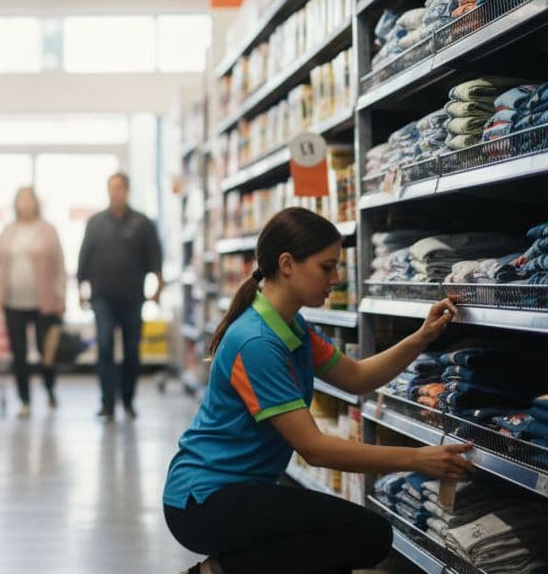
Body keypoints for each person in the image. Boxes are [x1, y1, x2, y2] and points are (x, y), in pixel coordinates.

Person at [163, 207, 473, 574]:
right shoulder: (257, 342)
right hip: (204, 500)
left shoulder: (292, 327)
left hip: (238, 491)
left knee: (338, 547)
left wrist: (423, 337)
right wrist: (416, 459)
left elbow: (357, 377)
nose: (337, 278)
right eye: (327, 267)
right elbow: (315, 449)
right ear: (287, 264)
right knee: (362, 535)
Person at [77, 172, 163, 420]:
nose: (116, 192)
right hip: (102, 297)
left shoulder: (142, 223)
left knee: (131, 351)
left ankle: (127, 401)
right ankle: (107, 403)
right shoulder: (95, 223)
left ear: (127, 191)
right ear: (108, 191)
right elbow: (84, 258)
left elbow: (155, 257)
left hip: (132, 297)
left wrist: (158, 286)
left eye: (120, 188)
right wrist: (80, 291)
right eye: (112, 188)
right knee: (104, 347)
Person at [0, 187, 65, 418]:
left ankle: (50, 388)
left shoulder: (48, 231)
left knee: (46, 351)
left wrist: (61, 296)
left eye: (28, 199)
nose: (24, 203)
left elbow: (60, 265)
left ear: (36, 202)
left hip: (44, 302)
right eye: (20, 199)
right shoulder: (9, 231)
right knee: (19, 354)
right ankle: (24, 400)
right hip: (13, 302)